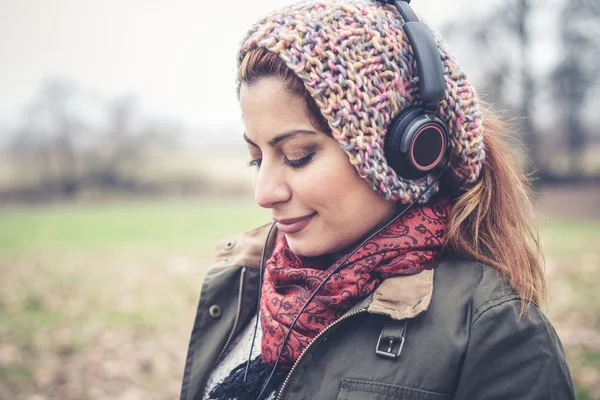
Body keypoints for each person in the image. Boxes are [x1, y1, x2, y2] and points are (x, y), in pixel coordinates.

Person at [180, 0, 576, 399]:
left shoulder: (492, 329)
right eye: (255, 160)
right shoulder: (242, 283)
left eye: (298, 156)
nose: (264, 193)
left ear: (408, 153)